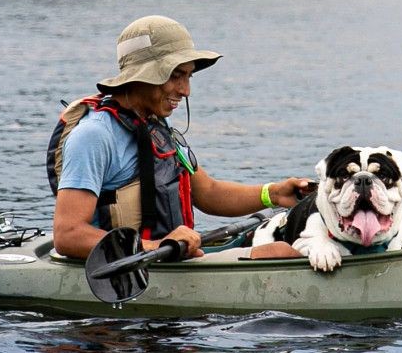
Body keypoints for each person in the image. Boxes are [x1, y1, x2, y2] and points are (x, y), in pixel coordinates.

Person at [49, 16, 312, 261]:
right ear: (142, 75)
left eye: (188, 76)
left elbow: (208, 193)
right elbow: (68, 235)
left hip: (167, 258)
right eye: (175, 76)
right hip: (123, 270)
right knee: (280, 252)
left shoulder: (155, 127)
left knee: (281, 244)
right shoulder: (94, 136)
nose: (185, 90)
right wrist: (156, 246)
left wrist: (274, 193)